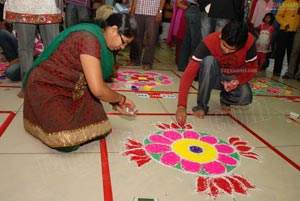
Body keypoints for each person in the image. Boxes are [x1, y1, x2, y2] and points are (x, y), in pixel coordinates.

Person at [23, 13, 138, 152]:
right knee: (66, 142)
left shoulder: (101, 38)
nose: (123, 47)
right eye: (123, 41)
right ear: (113, 29)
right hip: (48, 84)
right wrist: (120, 99)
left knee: (101, 129)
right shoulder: (89, 39)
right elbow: (98, 90)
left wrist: (114, 101)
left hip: (73, 86)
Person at [176, 20, 258, 126]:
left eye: (232, 49)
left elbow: (252, 68)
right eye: (224, 46)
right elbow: (188, 74)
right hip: (212, 76)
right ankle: (201, 106)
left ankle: (225, 98)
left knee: (246, 97)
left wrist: (237, 81)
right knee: (208, 61)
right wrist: (181, 106)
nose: (227, 51)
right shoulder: (209, 42)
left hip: (232, 78)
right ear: (220, 36)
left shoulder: (249, 42)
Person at [4, 0, 63, 97]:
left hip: (48, 5)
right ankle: (27, 85)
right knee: (25, 48)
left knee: (53, 47)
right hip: (22, 5)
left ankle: (55, 83)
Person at [129, 0, 166, 70]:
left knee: (151, 39)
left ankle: (147, 62)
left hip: (153, 13)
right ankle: (135, 60)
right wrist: (132, 10)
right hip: (138, 11)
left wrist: (160, 12)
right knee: (136, 37)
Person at [272, 0, 299, 76]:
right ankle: (277, 71)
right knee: (280, 51)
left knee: (292, 53)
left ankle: (291, 73)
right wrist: (285, 24)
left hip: (295, 32)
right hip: (285, 30)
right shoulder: (287, 2)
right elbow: (278, 15)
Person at [177, 0, 201, 72]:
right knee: (195, 41)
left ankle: (182, 66)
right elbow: (178, 3)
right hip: (195, 10)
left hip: (191, 9)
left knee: (187, 40)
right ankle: (193, 69)